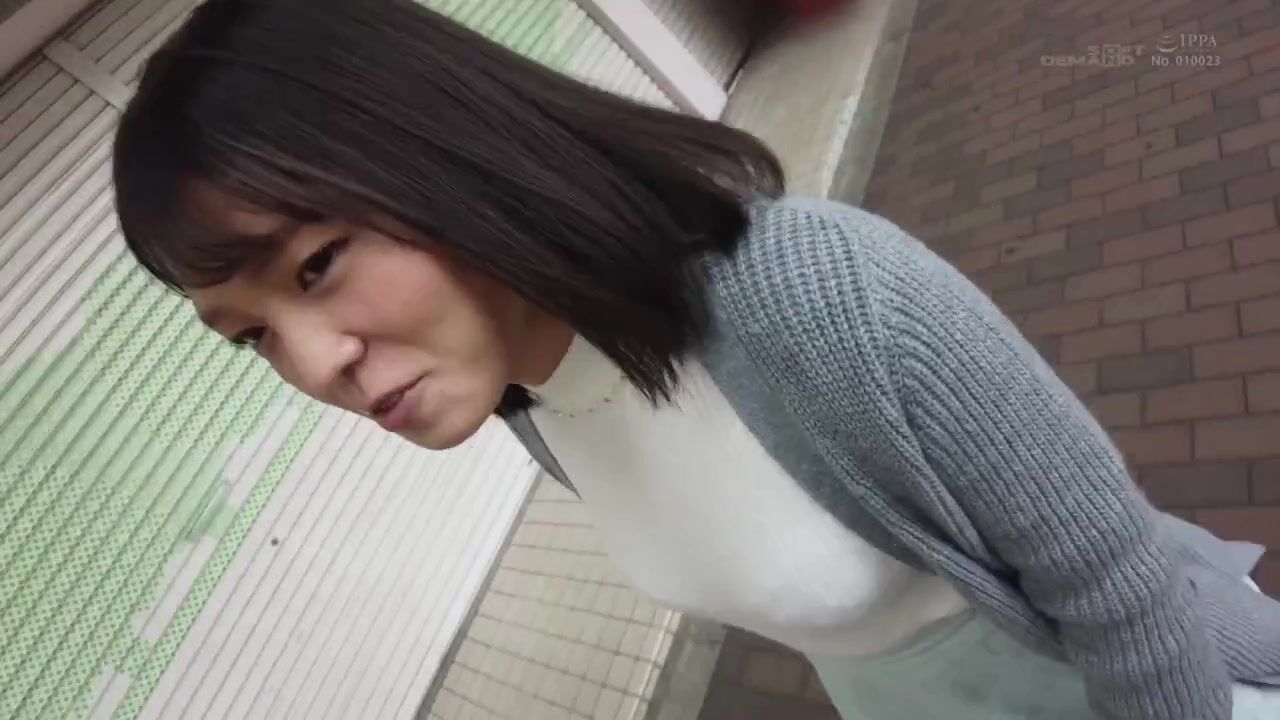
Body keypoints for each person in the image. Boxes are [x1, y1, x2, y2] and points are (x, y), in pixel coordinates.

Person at [111, 1, 1280, 718]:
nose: (314, 362)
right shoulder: (534, 404)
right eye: (252, 336)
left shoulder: (813, 293)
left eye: (316, 264)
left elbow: (1119, 596)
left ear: (446, 160)